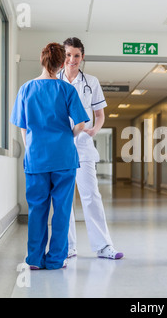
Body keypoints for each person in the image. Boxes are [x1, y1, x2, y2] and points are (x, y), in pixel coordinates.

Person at [10, 42, 89, 270]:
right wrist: (68, 135)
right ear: (62, 63)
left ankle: (34, 259)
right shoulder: (66, 89)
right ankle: (55, 260)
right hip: (63, 157)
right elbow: (81, 124)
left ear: (42, 60)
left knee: (37, 209)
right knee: (62, 210)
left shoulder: (26, 89)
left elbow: (22, 126)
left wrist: (30, 147)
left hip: (36, 158)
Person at [60, 37, 123, 260]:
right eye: (68, 55)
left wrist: (94, 130)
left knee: (91, 195)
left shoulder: (91, 82)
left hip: (83, 146)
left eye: (76, 55)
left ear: (82, 57)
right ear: (62, 56)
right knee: (63, 197)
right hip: (60, 146)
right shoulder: (53, 80)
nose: (72, 59)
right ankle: (67, 246)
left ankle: (104, 246)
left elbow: (99, 114)